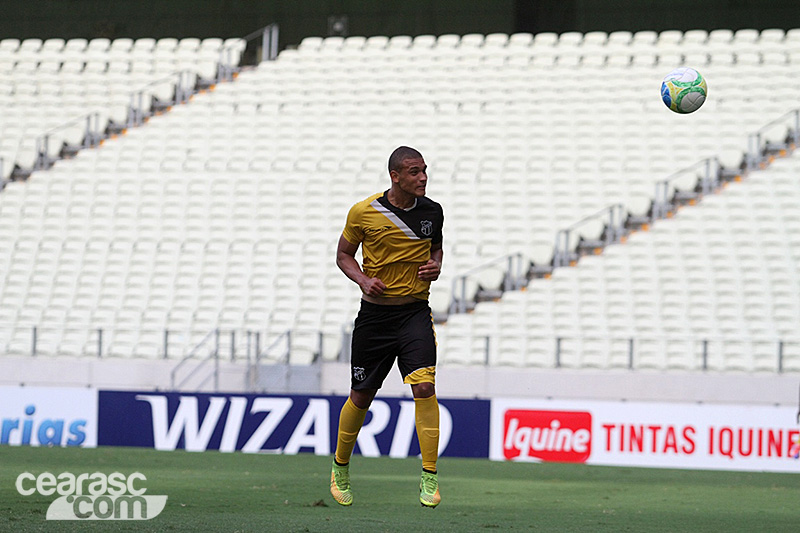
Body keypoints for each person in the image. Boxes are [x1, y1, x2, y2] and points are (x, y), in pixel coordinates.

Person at [330, 146, 444, 508]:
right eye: (414, 172)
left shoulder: (433, 212)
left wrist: (435, 265)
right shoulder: (364, 212)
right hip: (375, 318)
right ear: (395, 176)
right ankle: (340, 468)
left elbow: (436, 249)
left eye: (424, 170)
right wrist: (363, 280)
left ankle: (429, 476)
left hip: (414, 313)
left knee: (424, 387)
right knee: (361, 396)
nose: (422, 177)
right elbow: (343, 255)